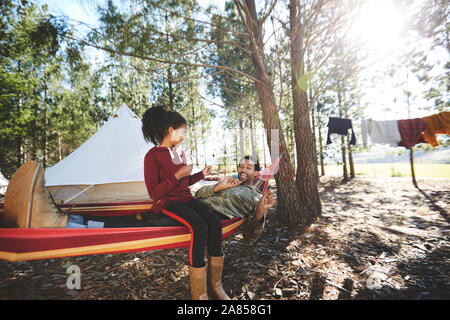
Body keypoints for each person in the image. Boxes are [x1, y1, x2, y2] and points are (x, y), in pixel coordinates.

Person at [141, 104, 228, 300]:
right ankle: (200, 294)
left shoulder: (180, 153)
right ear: (170, 130)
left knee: (214, 222)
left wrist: (200, 175)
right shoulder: (152, 156)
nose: (184, 136)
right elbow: (155, 193)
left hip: (186, 198)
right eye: (182, 132)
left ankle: (216, 284)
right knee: (198, 226)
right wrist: (177, 174)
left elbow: (184, 182)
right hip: (167, 203)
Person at [194, 155, 276, 245]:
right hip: (193, 206)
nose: (243, 170)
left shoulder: (257, 197)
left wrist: (260, 211)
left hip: (210, 215)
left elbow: (249, 237)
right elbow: (197, 194)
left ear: (256, 173)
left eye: (248, 167)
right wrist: (218, 187)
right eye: (241, 167)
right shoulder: (229, 182)